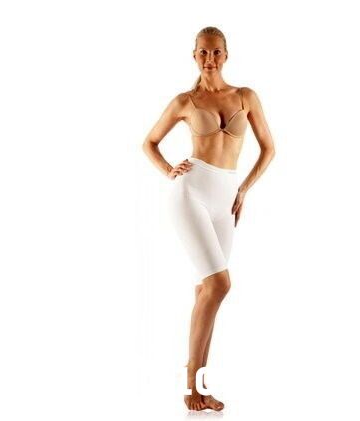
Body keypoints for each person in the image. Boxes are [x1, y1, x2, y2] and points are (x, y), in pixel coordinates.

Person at [142, 26, 276, 411]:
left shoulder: (245, 96)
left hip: (226, 200)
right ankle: (190, 385)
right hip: (191, 193)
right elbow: (149, 142)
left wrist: (244, 189)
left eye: (216, 52)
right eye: (203, 52)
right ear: (194, 55)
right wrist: (169, 171)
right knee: (219, 284)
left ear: (226, 55)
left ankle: (200, 387)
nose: (210, 59)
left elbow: (268, 148)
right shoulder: (185, 101)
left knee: (207, 291)